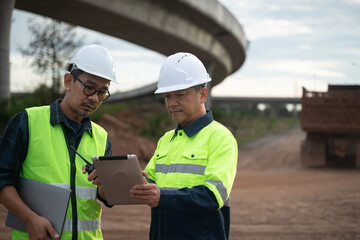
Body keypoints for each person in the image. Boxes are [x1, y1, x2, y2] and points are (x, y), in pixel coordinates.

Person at [0, 44, 116, 240]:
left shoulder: (102, 137)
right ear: (68, 81)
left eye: (102, 92)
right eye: (89, 88)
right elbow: (2, 179)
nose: (95, 98)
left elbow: (105, 196)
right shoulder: (27, 122)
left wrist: (109, 185)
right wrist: (30, 219)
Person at [130, 52, 238, 240]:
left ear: (203, 94)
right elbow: (150, 185)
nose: (172, 103)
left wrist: (162, 197)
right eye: (167, 97)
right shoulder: (166, 139)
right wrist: (117, 178)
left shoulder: (221, 137)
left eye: (180, 95)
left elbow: (213, 196)